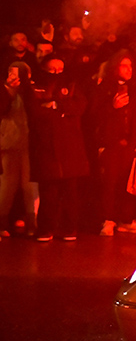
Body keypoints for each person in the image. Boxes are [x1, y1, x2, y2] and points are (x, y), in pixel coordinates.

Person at [24, 55, 89, 241]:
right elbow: (35, 110)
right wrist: (57, 111)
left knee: (70, 192)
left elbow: (80, 105)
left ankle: (70, 228)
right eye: (52, 69)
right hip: (45, 146)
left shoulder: (73, 84)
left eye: (60, 69)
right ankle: (46, 228)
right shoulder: (35, 86)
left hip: (70, 146)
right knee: (48, 191)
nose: (57, 73)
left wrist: (57, 105)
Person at [93, 52, 136, 235]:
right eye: (124, 66)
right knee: (109, 183)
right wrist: (112, 108)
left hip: (131, 143)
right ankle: (107, 219)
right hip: (111, 144)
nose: (128, 70)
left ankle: (126, 219)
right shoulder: (103, 89)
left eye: (130, 66)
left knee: (130, 183)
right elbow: (93, 117)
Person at [1, 62, 38, 237]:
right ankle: (2, 221)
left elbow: (35, 112)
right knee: (7, 184)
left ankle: (32, 222)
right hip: (10, 143)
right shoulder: (4, 90)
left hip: (29, 143)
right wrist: (8, 90)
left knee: (30, 185)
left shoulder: (31, 91)